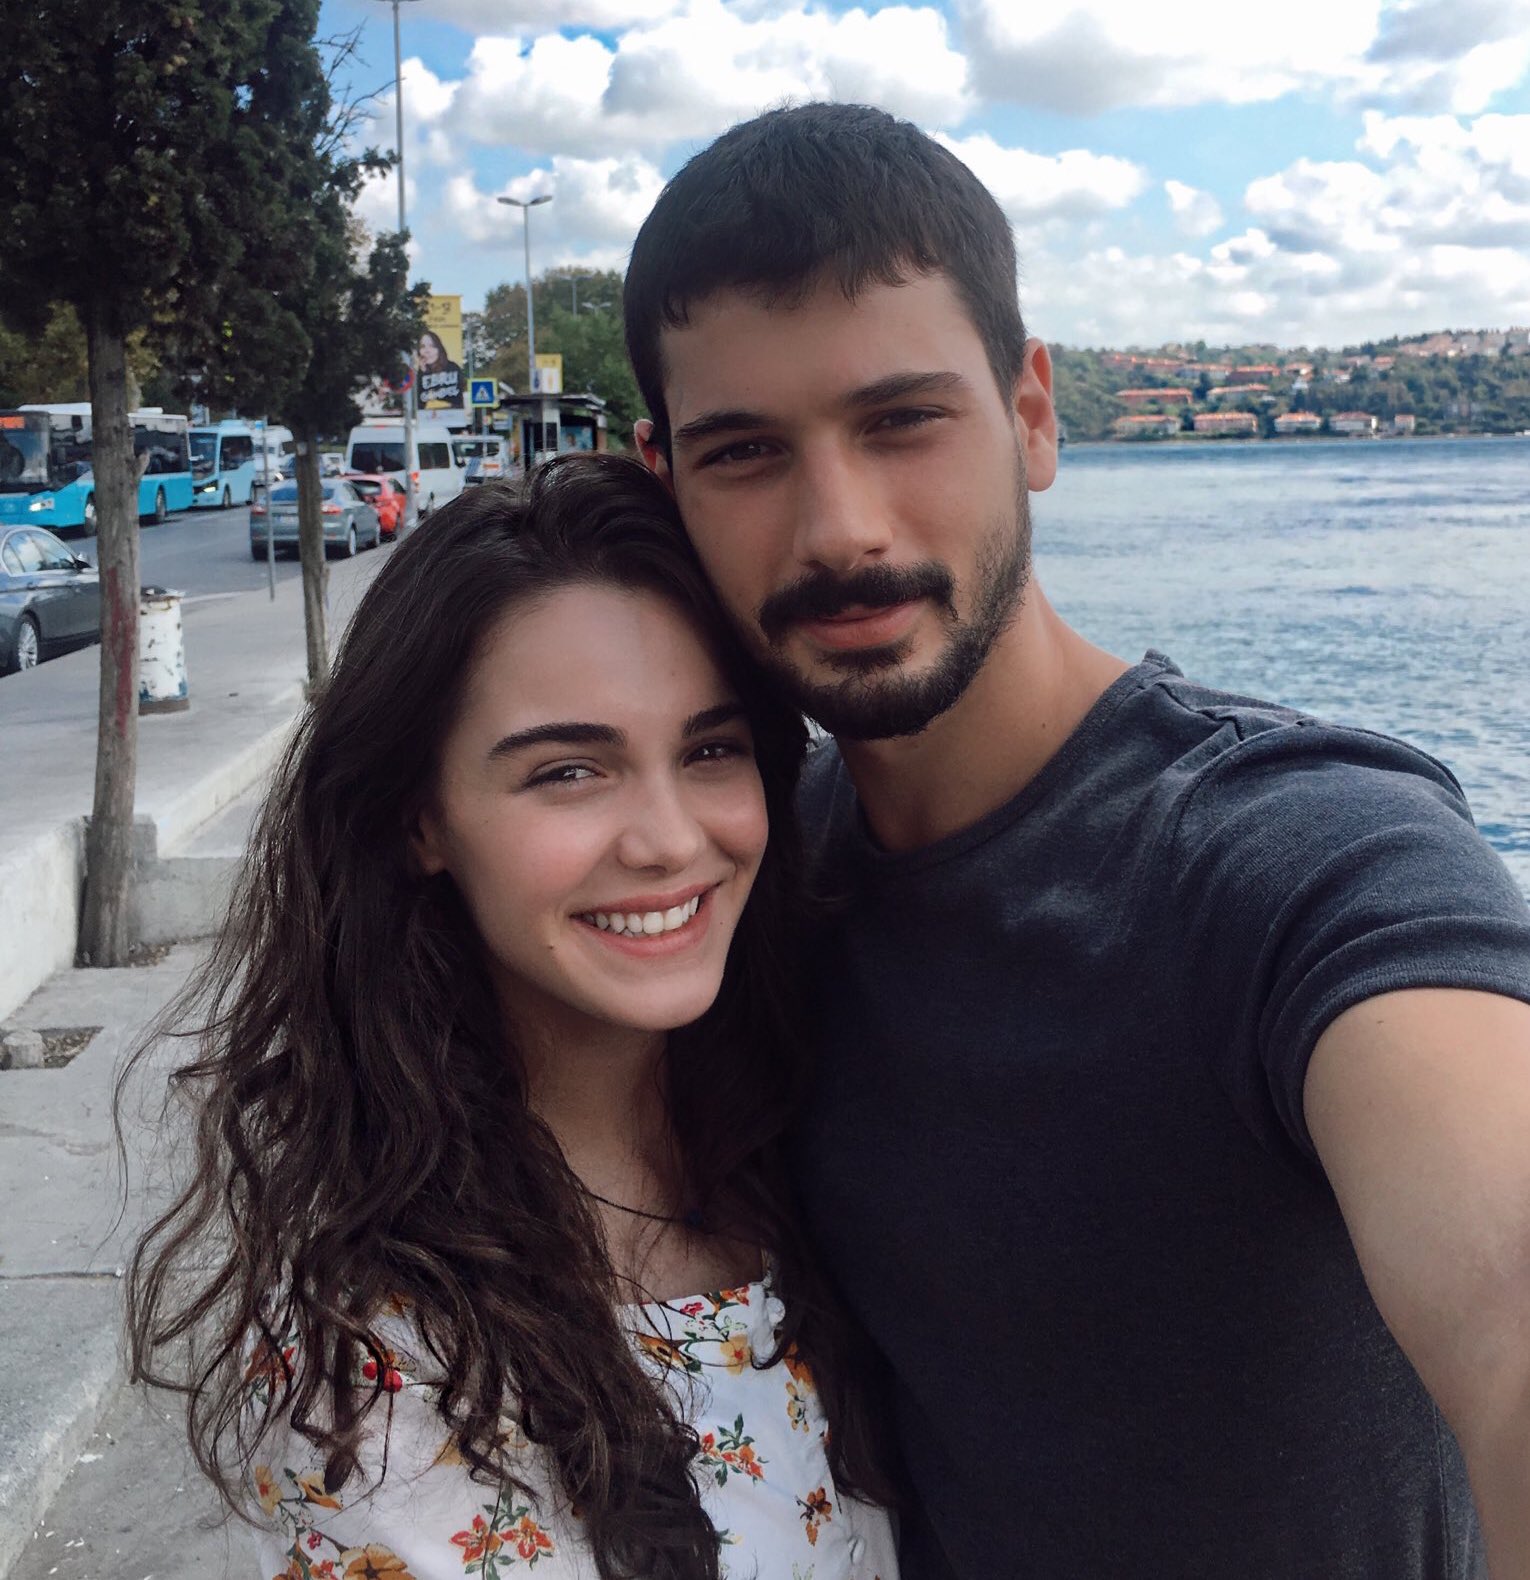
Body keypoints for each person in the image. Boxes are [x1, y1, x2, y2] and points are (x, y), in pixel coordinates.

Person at [623, 102, 1530, 1579]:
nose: (840, 527)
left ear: (1032, 416)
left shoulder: (1299, 858)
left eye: (902, 421)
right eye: (744, 452)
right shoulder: (739, 881)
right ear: (667, 482)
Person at [122, 456, 899, 1580]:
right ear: (421, 821)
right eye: (570, 771)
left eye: (709, 750)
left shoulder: (816, 1143)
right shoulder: (381, 1375)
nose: (671, 839)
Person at [417, 328, 463, 407]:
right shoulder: (418, 372)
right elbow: (418, 403)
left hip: (451, 413)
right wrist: (422, 372)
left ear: (439, 349)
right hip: (426, 414)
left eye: (432, 346)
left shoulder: (452, 368)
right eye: (423, 346)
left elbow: (458, 398)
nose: (427, 351)